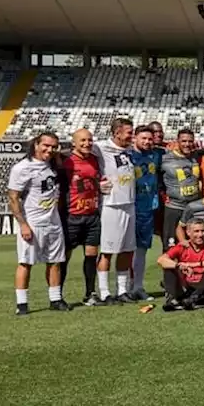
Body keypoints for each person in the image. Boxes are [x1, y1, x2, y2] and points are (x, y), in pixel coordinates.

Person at [9, 133, 70, 315]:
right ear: (36, 144)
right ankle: (22, 304)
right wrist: (23, 224)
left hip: (53, 221)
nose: (49, 150)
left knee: (55, 262)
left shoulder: (53, 164)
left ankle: (55, 299)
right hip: (33, 223)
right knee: (25, 262)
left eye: (54, 147)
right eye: (46, 145)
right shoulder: (22, 168)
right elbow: (13, 198)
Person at [94, 118, 137, 304]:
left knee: (127, 250)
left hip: (129, 204)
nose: (131, 135)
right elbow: (79, 154)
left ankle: (122, 290)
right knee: (107, 251)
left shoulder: (129, 150)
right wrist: (96, 184)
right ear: (117, 132)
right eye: (128, 132)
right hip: (111, 205)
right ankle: (104, 292)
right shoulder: (100, 147)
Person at [60, 128, 103, 305]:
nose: (87, 144)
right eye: (83, 141)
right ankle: (57, 295)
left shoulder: (94, 159)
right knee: (64, 258)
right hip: (72, 216)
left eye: (89, 140)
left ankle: (90, 294)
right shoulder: (66, 161)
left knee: (92, 255)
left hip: (92, 215)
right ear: (74, 143)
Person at [157, 219, 204, 311]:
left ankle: (194, 298)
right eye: (196, 231)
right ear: (188, 232)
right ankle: (175, 298)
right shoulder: (182, 246)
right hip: (187, 284)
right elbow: (161, 260)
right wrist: (179, 266)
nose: (200, 235)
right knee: (168, 268)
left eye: (203, 231)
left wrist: (195, 264)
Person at [127, 125, 161, 301]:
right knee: (124, 250)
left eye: (150, 138)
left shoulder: (156, 155)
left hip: (147, 209)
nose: (147, 142)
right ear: (135, 138)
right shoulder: (127, 155)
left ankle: (138, 287)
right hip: (127, 208)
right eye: (143, 138)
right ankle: (124, 288)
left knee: (141, 250)